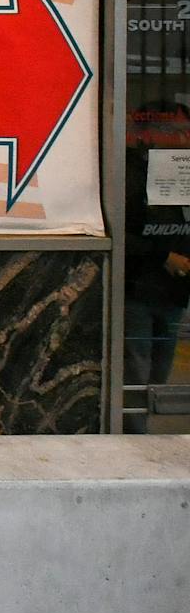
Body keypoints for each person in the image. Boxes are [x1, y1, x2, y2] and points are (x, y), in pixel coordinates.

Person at [123, 105, 190, 433]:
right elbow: (122, 233)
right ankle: (134, 436)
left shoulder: (180, 173)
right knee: (136, 370)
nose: (184, 139)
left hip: (174, 291)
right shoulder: (132, 173)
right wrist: (163, 256)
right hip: (137, 286)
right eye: (177, 132)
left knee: (158, 373)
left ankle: (143, 431)